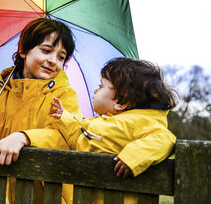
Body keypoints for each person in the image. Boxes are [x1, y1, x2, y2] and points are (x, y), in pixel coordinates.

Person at [0, 18, 82, 204]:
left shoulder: (65, 95)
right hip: (17, 195)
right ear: (23, 50)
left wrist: (23, 137)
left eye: (61, 57)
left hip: (56, 196)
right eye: (46, 50)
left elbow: (69, 138)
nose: (53, 61)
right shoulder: (0, 94)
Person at [49, 57, 177, 203]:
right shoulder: (99, 122)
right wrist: (64, 118)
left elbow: (166, 138)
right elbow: (80, 138)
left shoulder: (139, 122)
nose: (96, 90)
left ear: (120, 102)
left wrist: (133, 157)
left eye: (101, 86)